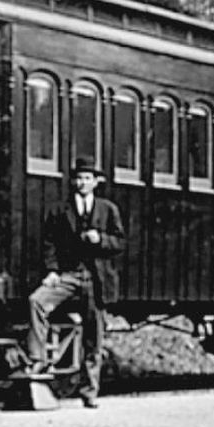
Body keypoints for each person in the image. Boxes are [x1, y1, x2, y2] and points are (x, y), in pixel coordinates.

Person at [21, 156, 126, 408]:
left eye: (87, 178)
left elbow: (120, 243)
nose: (82, 182)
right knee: (37, 301)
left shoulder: (108, 209)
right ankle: (37, 359)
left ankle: (90, 392)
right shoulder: (59, 210)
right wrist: (52, 271)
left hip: (96, 279)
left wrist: (99, 238)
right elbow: (49, 243)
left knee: (94, 337)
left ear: (96, 182)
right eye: (78, 178)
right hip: (67, 276)